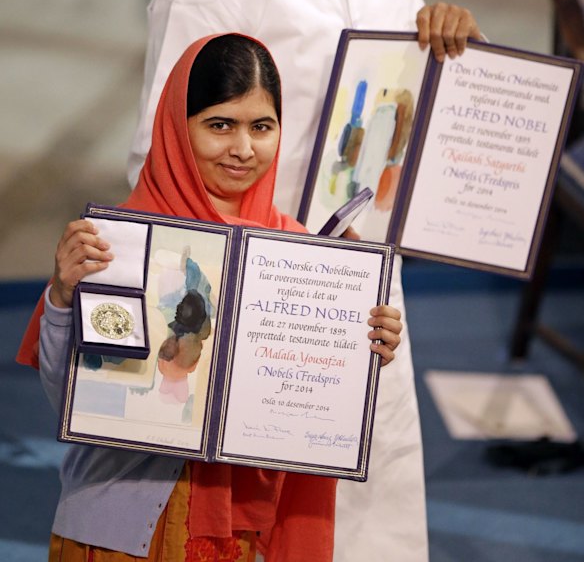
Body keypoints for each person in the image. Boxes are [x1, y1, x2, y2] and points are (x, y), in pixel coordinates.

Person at [127, 0, 482, 560]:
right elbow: (157, 156)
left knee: (375, 511)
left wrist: (454, 47)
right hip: (263, 295)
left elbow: (405, 113)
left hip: (373, 294)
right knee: (262, 523)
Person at [17, 34, 403, 562]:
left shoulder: (301, 255)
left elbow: (307, 412)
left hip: (237, 539)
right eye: (220, 125)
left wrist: (360, 348)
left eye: (261, 127)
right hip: (111, 534)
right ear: (179, 127)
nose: (243, 148)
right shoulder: (116, 246)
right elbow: (68, 396)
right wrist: (63, 298)